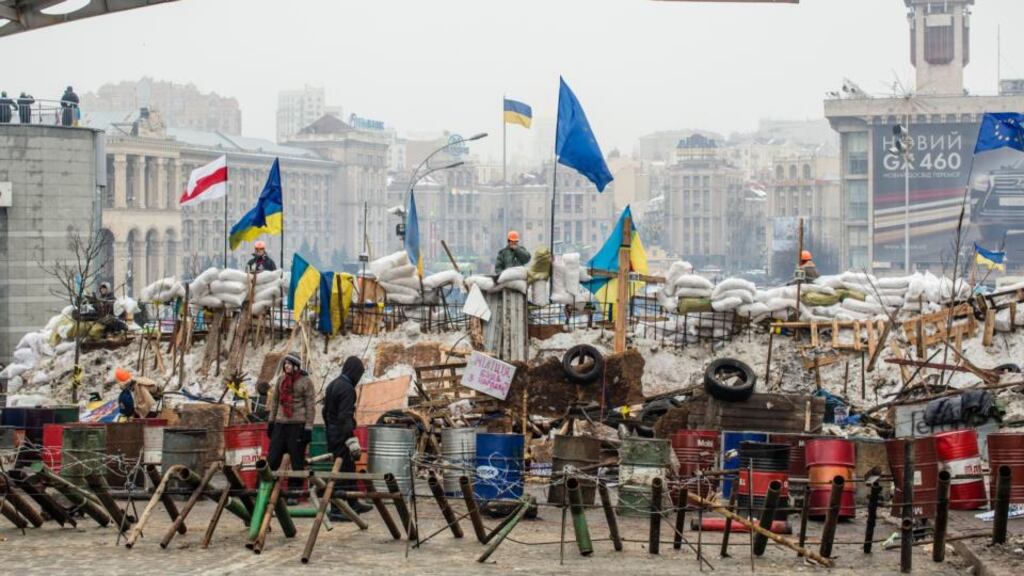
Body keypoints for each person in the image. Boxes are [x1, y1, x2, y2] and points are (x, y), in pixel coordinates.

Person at [322, 356, 373, 520]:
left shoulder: (332, 385)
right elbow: (345, 416)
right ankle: (337, 510)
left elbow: (325, 412)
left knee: (349, 468)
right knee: (342, 472)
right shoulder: (347, 389)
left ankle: (352, 503)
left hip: (332, 432)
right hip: (341, 435)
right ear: (354, 372)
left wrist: (331, 428)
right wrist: (350, 440)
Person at [267, 352, 315, 503]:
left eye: (288, 364)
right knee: (272, 459)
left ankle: (294, 494)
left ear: (295, 366)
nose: (286, 366)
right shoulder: (281, 380)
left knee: (297, 461)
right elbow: (274, 402)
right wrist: (271, 422)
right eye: (285, 364)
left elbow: (310, 406)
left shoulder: (305, 382)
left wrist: (308, 427)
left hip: (297, 425)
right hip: (280, 425)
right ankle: (266, 489)